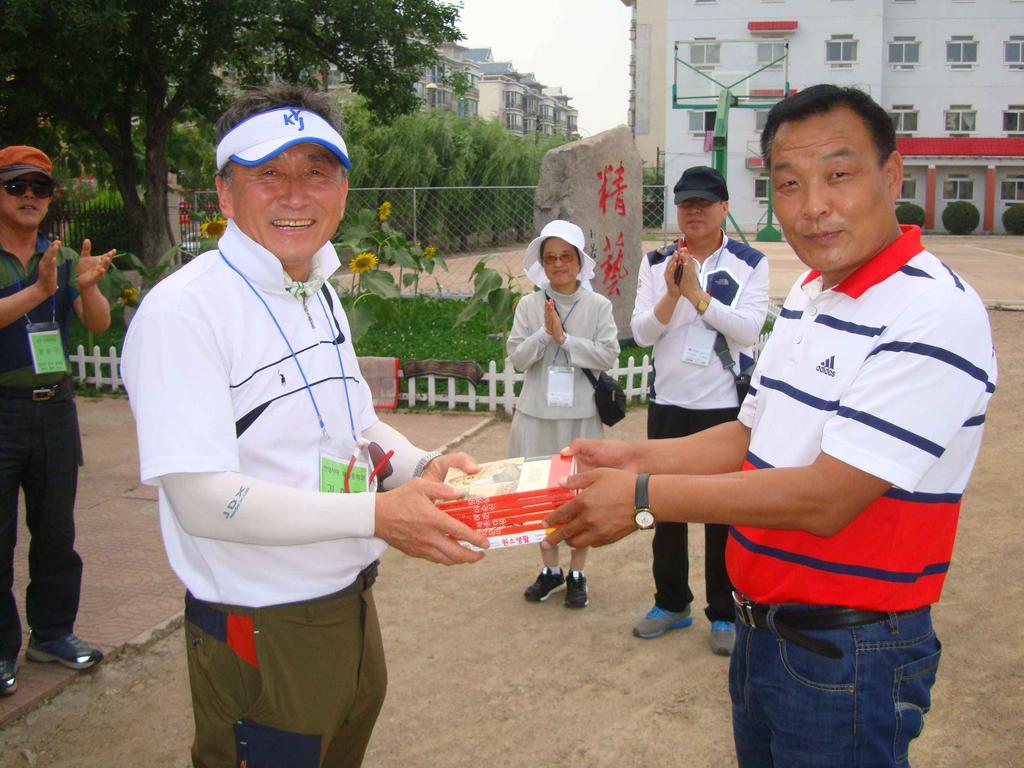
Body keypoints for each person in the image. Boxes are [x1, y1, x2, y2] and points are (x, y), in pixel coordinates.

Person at [546, 84, 996, 767]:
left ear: (892, 175)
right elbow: (749, 435)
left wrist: (642, 500)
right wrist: (631, 455)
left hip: (850, 652)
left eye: (838, 175)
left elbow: (827, 497)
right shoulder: (813, 295)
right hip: (766, 636)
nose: (813, 204)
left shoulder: (934, 313)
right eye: (789, 183)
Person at [121, 84, 489, 768]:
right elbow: (202, 501)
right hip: (263, 627)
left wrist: (420, 467)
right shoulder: (185, 313)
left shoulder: (315, 290)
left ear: (343, 189)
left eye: (316, 172)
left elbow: (356, 425)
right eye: (269, 174)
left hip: (347, 605)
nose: (296, 194)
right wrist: (378, 515)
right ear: (225, 195)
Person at [630, 165, 768, 655]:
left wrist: (698, 296)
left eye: (704, 203)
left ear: (724, 208)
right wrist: (671, 292)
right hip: (668, 403)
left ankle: (725, 612)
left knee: (721, 514)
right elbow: (643, 333)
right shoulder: (654, 263)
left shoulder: (751, 262)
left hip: (723, 410)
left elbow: (750, 330)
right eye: (686, 203)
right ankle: (671, 602)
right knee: (660, 506)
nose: (693, 211)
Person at [0, 146, 113, 696]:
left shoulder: (60, 257)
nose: (28, 197)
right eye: (16, 186)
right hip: (2, 410)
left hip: (55, 407)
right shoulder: (36, 269)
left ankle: (52, 633)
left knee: (55, 532)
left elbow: (96, 323)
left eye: (39, 188)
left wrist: (85, 287)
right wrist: (40, 291)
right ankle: (1, 651)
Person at [508, 220, 619, 609]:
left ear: (579, 260)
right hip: (536, 413)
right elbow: (518, 358)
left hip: (580, 416)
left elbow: (608, 354)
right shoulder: (528, 305)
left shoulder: (598, 306)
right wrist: (544, 334)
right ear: (542, 263)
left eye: (566, 257)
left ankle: (577, 573)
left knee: (578, 495)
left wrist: (566, 340)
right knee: (541, 494)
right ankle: (549, 569)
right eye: (551, 258)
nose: (558, 265)